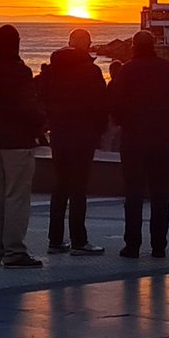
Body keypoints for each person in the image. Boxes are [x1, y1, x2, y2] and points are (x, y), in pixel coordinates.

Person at [0, 24, 45, 269]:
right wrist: (41, 120)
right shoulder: (20, 72)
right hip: (17, 141)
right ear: (16, 43)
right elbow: (26, 107)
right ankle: (14, 251)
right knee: (16, 196)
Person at [40, 28, 109, 256]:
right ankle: (79, 240)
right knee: (78, 188)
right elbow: (101, 105)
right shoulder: (91, 72)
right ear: (88, 45)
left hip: (59, 134)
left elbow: (42, 97)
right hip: (83, 135)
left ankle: (55, 239)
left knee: (60, 186)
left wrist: (49, 123)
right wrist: (98, 132)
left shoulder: (52, 71)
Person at [112, 30, 169, 259]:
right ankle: (159, 246)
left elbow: (117, 104)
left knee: (133, 194)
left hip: (134, 140)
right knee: (161, 194)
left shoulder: (126, 70)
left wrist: (125, 122)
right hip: (163, 139)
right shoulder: (167, 68)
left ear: (134, 46)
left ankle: (132, 245)